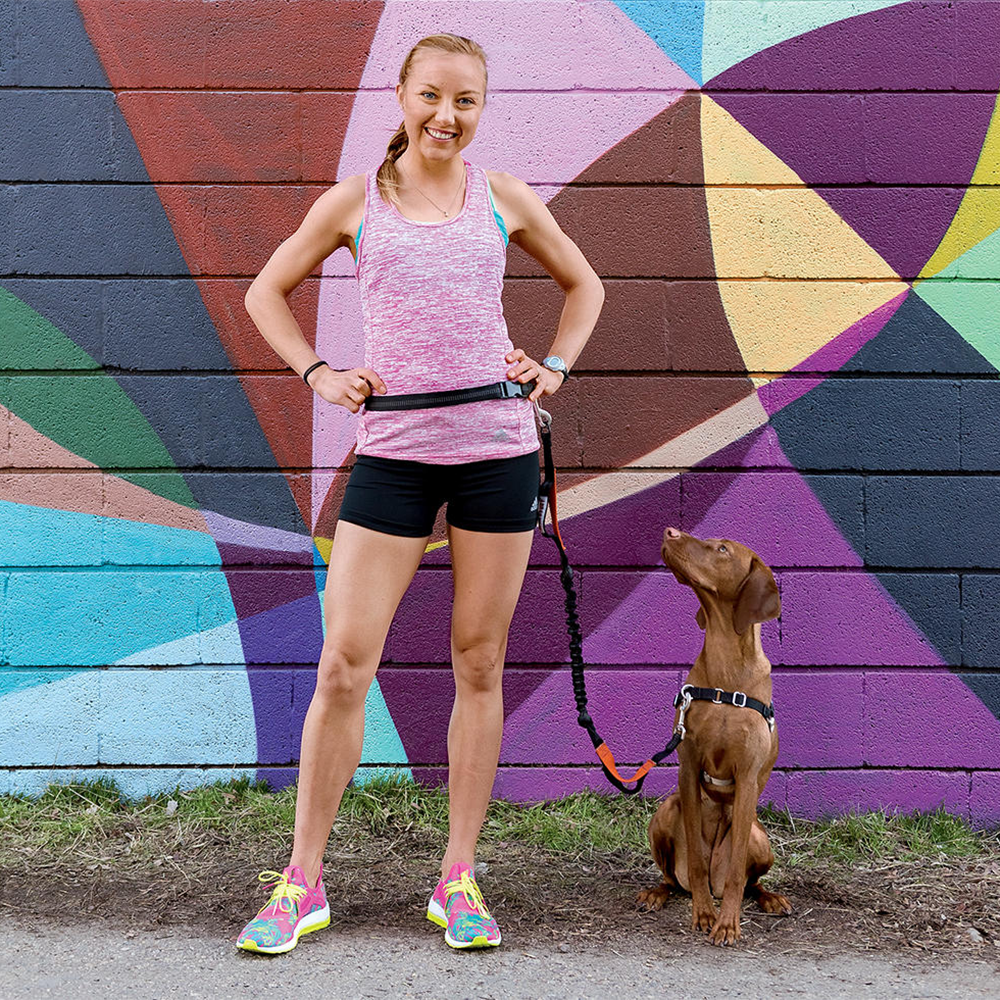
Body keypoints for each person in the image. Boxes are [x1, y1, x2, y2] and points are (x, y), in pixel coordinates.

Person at [235, 33, 604, 954]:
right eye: (432, 96)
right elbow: (266, 293)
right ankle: (301, 882)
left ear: (482, 108)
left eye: (467, 101)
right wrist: (319, 371)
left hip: (497, 451)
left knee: (478, 663)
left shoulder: (502, 197)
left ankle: (458, 878)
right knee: (342, 665)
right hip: (394, 456)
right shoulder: (356, 203)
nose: (448, 115)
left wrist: (552, 364)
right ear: (400, 98)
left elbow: (585, 284)